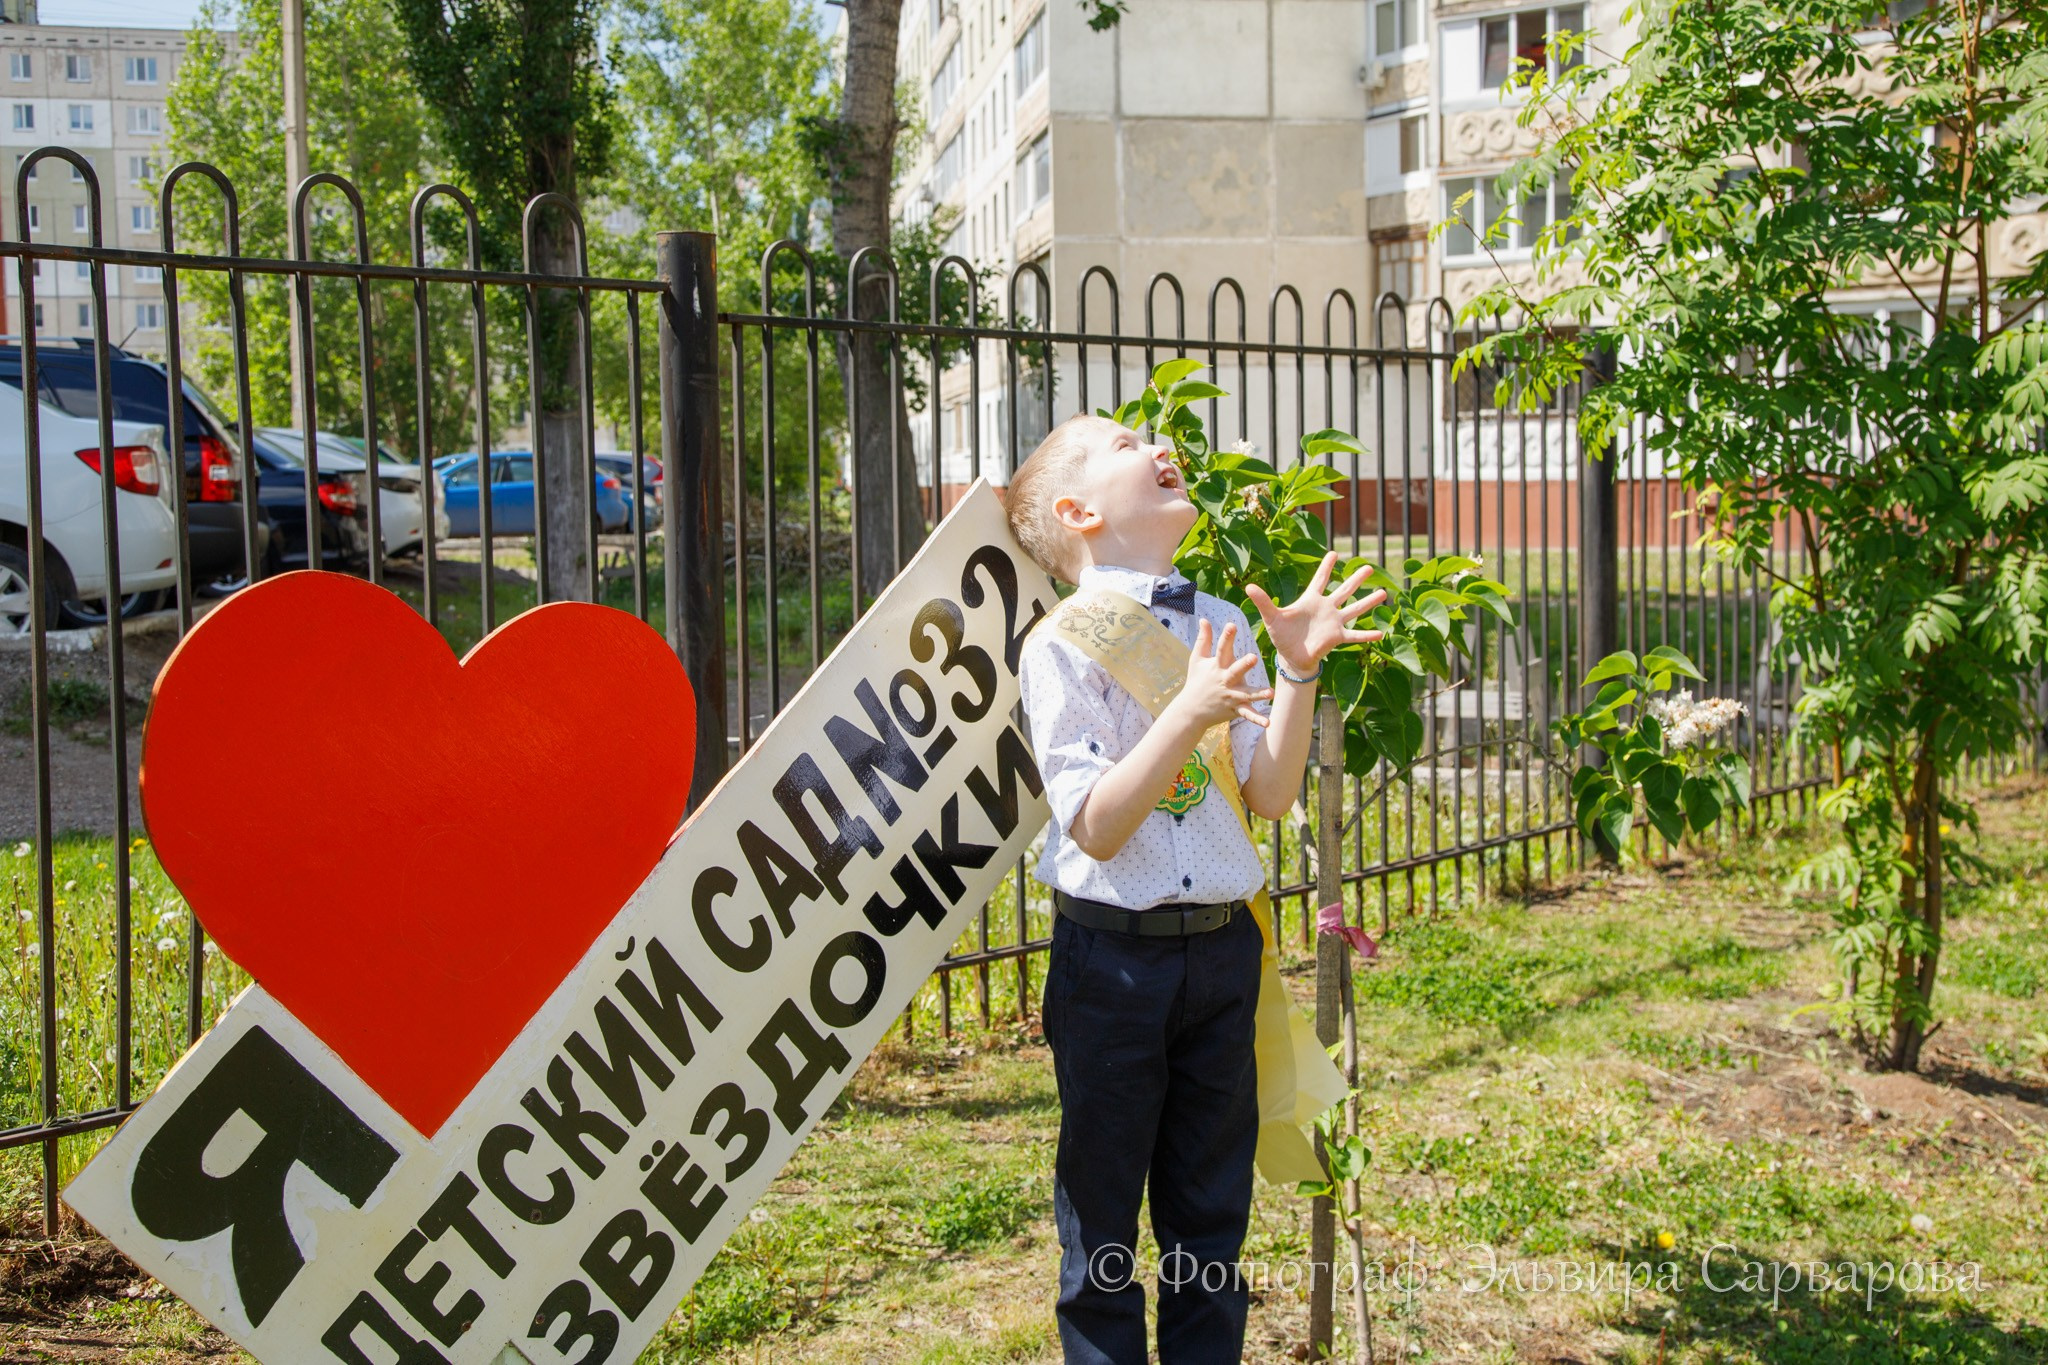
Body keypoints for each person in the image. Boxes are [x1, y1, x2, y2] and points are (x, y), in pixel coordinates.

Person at [1006, 413, 1386, 1365]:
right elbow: (1093, 821)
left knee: (1211, 1215)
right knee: (1101, 1221)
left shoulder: (1218, 618)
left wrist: (1294, 670)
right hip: (1113, 966)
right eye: (1126, 442)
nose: (1156, 444)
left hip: (1223, 956)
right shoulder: (1062, 642)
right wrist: (1184, 711)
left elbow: (1268, 790)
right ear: (1078, 510)